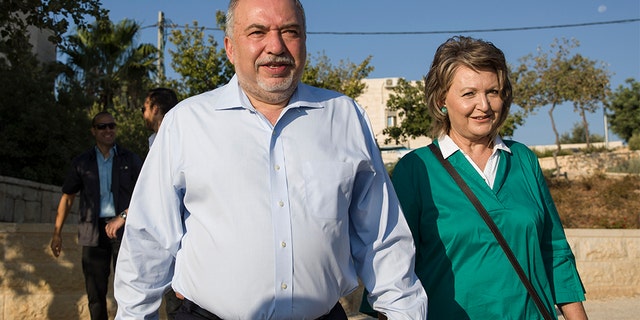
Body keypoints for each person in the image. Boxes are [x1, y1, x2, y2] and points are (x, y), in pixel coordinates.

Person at [114, 0, 428, 319]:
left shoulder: (345, 118)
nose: (275, 46)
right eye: (257, 31)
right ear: (230, 47)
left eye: (289, 31)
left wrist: (405, 311)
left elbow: (381, 236)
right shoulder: (186, 123)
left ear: (304, 41)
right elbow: (148, 241)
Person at [363, 35, 588, 319]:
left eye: (493, 92)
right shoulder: (416, 169)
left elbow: (554, 251)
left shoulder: (523, 160)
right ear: (441, 100)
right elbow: (393, 267)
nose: (484, 104)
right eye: (469, 94)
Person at [50, 111, 142, 320]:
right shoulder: (82, 162)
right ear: (94, 131)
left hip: (123, 230)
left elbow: (144, 193)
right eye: (102, 126)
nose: (108, 130)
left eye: (112, 125)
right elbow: (68, 197)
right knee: (95, 292)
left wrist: (126, 217)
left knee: (130, 289)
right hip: (92, 232)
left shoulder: (130, 159)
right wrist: (57, 232)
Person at [140, 87, 182, 319]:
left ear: (155, 109)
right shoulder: (156, 140)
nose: (143, 114)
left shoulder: (176, 136)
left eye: (143, 108)